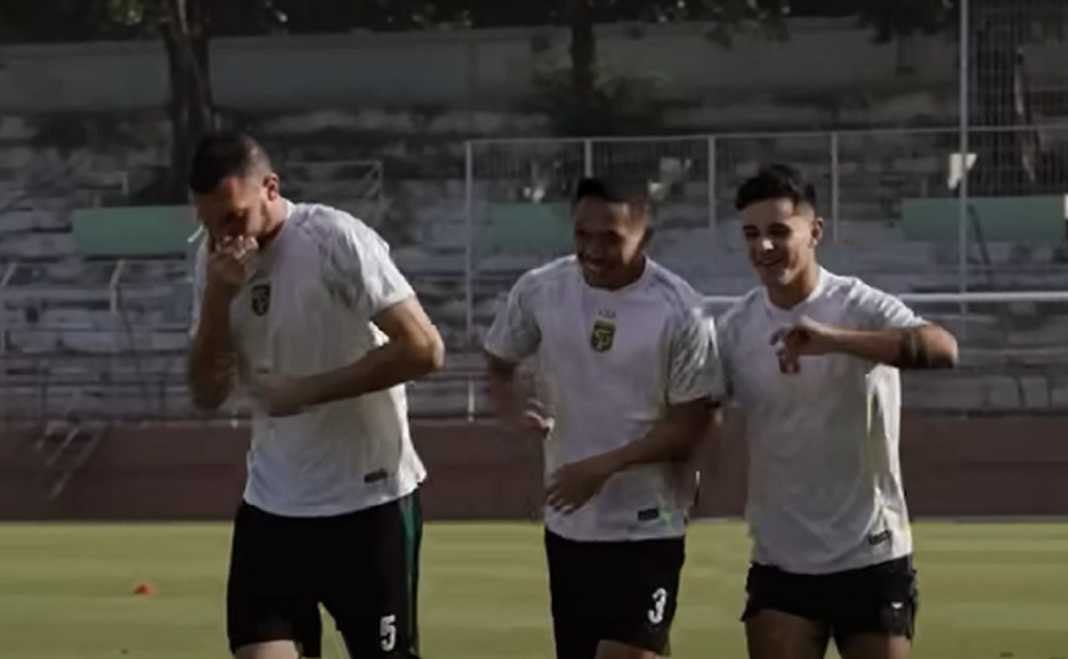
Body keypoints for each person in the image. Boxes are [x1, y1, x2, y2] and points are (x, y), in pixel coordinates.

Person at [185, 131, 444, 659]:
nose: (223, 236)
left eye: (233, 218)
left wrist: (307, 391)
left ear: (271, 188)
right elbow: (207, 393)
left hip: (368, 501)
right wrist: (217, 297)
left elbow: (424, 349)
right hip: (273, 503)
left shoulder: (333, 239)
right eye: (209, 225)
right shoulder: (215, 264)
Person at [717, 164, 959, 659]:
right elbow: (695, 409)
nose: (764, 246)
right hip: (780, 560)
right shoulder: (735, 328)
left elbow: (943, 348)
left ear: (815, 231)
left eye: (779, 231)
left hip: (872, 552)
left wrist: (837, 341)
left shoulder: (858, 304)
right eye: (751, 234)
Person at [483, 176, 723, 659]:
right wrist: (512, 408)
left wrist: (601, 468)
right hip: (569, 525)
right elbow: (499, 361)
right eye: (582, 234)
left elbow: (690, 424)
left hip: (648, 522)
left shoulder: (682, 310)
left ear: (645, 236)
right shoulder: (541, 289)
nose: (592, 250)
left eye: (610, 238)